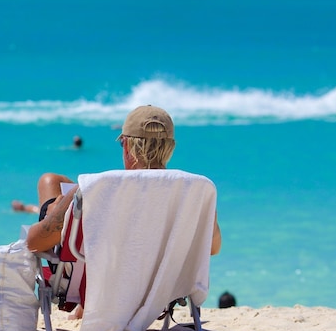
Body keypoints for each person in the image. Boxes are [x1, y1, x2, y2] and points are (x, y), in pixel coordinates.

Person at [24, 104, 222, 256]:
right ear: (171, 147)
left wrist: (57, 213)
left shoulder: (96, 188)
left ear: (126, 146)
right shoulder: (198, 190)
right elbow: (212, 248)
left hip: (102, 292)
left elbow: (33, 243)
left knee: (50, 182)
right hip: (166, 292)